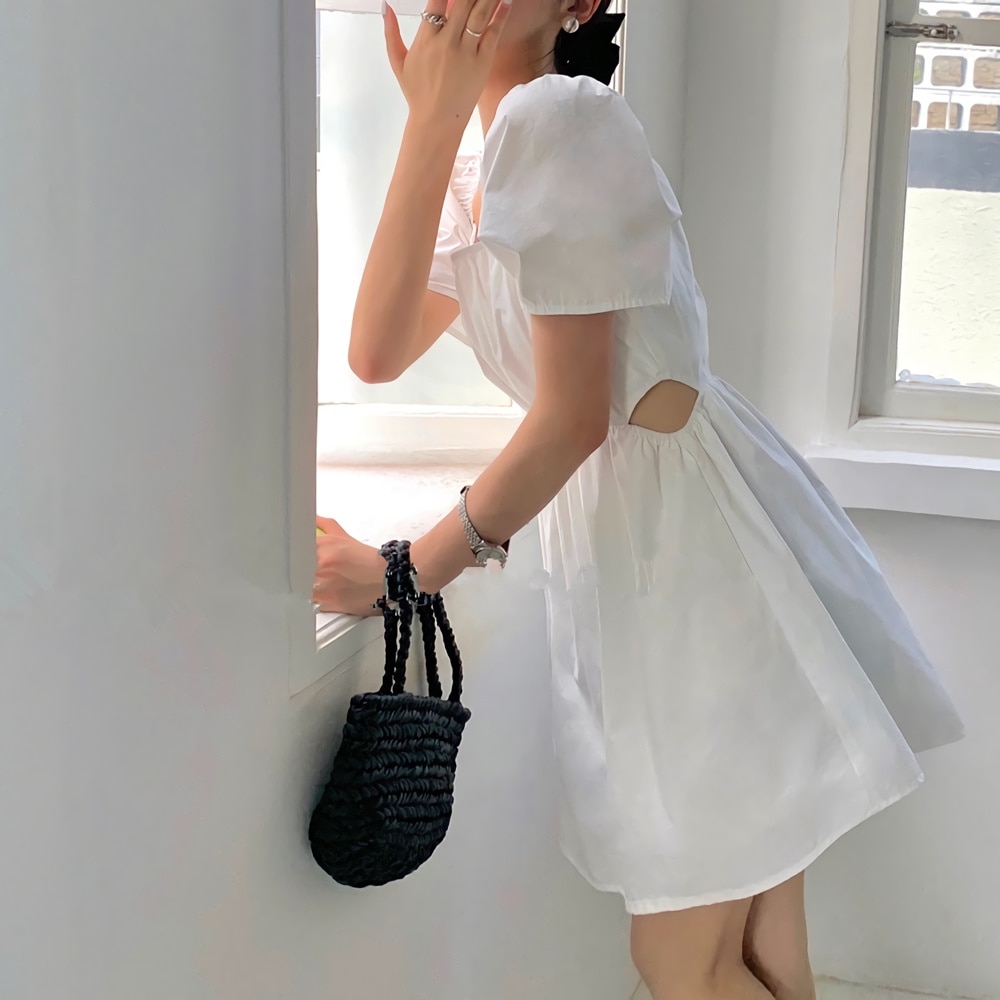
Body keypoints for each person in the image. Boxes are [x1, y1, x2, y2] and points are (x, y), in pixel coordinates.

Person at [312, 2, 965, 998]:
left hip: (692, 572)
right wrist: (430, 124)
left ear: (577, 3)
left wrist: (406, 574)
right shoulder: (497, 149)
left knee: (679, 961)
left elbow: (572, 420)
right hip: (678, 544)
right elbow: (376, 350)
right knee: (759, 940)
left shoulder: (559, 119)